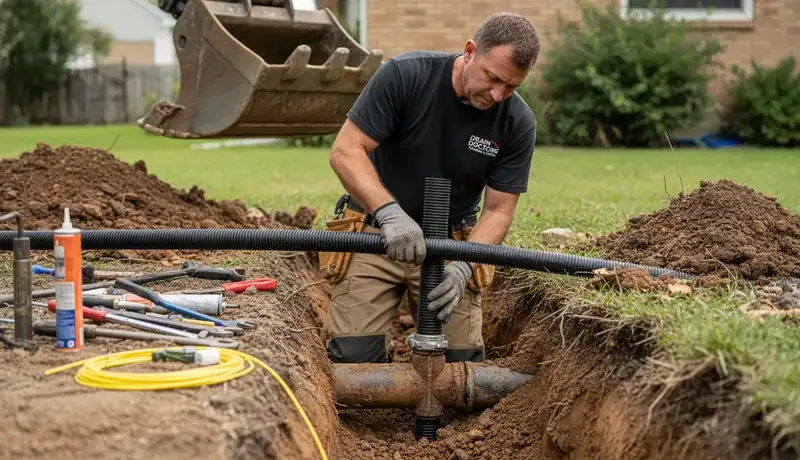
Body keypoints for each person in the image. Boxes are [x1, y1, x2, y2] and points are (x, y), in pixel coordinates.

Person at [319, 12, 540, 364]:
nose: (499, 95)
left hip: (450, 245)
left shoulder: (516, 121)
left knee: (461, 364)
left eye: (512, 87)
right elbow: (346, 151)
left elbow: (499, 210)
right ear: (470, 51)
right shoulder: (407, 76)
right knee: (352, 360)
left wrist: (463, 267)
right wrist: (390, 214)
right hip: (374, 234)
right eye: (493, 78)